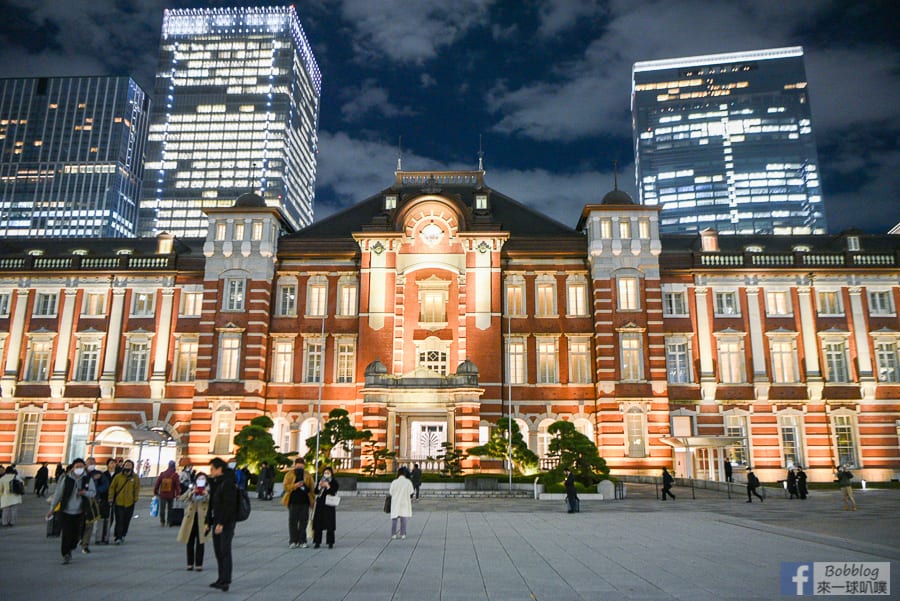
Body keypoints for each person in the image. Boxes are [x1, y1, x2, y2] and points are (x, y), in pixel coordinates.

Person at [47, 458, 96, 564]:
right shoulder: (67, 479)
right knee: (66, 533)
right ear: (73, 468)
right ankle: (66, 553)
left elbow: (93, 492)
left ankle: (72, 546)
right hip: (66, 511)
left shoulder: (87, 479)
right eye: (77, 467)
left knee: (77, 534)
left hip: (81, 511)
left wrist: (84, 493)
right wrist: (52, 509)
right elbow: (58, 494)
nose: (79, 469)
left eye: (81, 467)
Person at [207, 457, 238, 591]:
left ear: (219, 469)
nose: (211, 471)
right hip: (217, 521)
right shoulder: (217, 482)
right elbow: (212, 504)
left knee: (224, 551)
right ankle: (221, 578)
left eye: (212, 469)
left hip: (226, 523)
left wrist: (221, 523)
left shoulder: (228, 483)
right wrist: (208, 522)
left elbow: (229, 505)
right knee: (218, 551)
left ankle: (225, 580)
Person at [177, 471, 210, 572]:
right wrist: (192, 492)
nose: (201, 481)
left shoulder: (209, 489)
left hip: (202, 519)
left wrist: (206, 494)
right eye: (199, 479)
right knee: (189, 541)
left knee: (201, 542)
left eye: (203, 479)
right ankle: (190, 564)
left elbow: (213, 501)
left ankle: (199, 564)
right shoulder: (192, 488)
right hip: (190, 518)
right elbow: (181, 498)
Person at [282, 458, 315, 548]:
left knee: (303, 521)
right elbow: (285, 487)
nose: (300, 467)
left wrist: (312, 500)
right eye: (298, 465)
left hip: (305, 501)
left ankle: (302, 541)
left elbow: (312, 488)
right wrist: (295, 486)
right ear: (295, 465)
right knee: (293, 521)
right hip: (293, 501)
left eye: (301, 465)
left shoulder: (307, 475)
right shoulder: (289, 474)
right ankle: (293, 541)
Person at [109, 459, 140, 544]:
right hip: (119, 502)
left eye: (129, 465)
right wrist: (111, 497)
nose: (127, 467)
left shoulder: (135, 477)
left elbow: (136, 488)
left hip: (130, 502)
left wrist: (135, 498)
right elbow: (112, 488)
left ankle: (123, 534)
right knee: (119, 520)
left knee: (126, 520)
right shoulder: (118, 476)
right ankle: (118, 536)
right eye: (126, 465)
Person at [78, 458, 103, 552]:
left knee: (90, 523)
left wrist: (97, 491)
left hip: (91, 503)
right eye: (90, 463)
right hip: (78, 503)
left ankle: (85, 544)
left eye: (93, 463)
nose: (92, 464)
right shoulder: (75, 476)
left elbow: (105, 485)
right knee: (79, 523)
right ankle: (78, 539)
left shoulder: (99, 474)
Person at [312, 466, 340, 548]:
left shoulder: (334, 482)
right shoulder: (321, 480)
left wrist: (328, 486)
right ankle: (317, 542)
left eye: (328, 473)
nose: (326, 474)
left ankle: (330, 542)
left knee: (330, 524)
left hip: (329, 505)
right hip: (320, 504)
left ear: (331, 473)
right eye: (325, 473)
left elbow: (333, 491)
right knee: (318, 524)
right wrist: (320, 486)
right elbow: (315, 492)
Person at [154, 460, 182, 527]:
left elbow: (157, 484)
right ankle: (169, 521)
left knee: (162, 509)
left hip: (162, 494)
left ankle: (162, 522)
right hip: (171, 495)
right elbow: (177, 485)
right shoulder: (175, 475)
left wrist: (155, 491)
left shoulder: (162, 474)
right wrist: (178, 494)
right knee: (170, 509)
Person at [388, 466, 414, 539]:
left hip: (395, 502)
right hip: (405, 502)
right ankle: (403, 534)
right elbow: (411, 492)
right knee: (404, 519)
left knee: (394, 519)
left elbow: (391, 492)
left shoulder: (394, 482)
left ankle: (393, 534)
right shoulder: (408, 482)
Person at [95, 458, 117, 544]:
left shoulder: (118, 475)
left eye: (114, 463)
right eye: (111, 463)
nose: (113, 465)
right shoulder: (103, 475)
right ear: (107, 465)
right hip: (104, 498)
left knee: (110, 518)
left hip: (114, 499)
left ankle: (105, 535)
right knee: (101, 517)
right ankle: (99, 536)